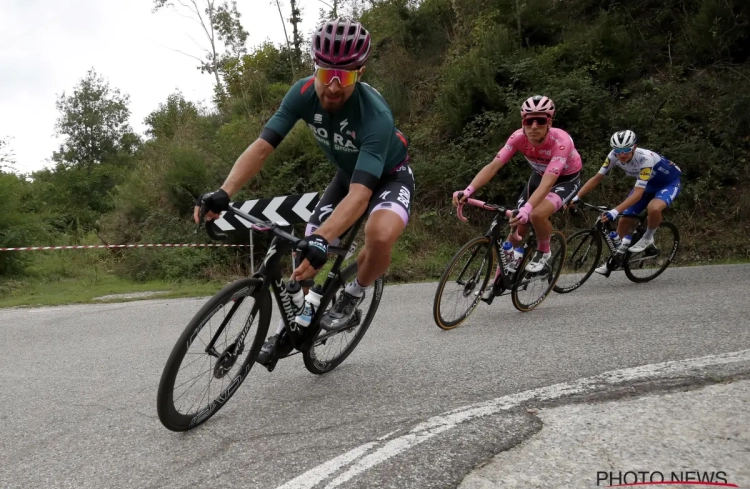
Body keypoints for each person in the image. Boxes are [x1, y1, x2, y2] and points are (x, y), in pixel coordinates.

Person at [194, 18, 414, 364]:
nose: (334, 88)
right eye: (326, 75)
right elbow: (263, 147)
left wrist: (325, 238)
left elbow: (360, 195)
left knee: (379, 234)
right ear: (315, 68)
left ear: (361, 72)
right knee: (304, 253)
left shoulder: (375, 116)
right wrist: (225, 190)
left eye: (346, 77)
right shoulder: (301, 93)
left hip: (389, 178)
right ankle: (304, 318)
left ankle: (353, 294)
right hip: (347, 176)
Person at [453, 95, 582, 298]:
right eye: (528, 121)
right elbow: (494, 166)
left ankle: (544, 250)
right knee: (516, 223)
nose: (533, 126)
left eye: (540, 120)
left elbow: (550, 181)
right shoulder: (517, 138)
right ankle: (500, 279)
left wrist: (528, 209)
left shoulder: (561, 141)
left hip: (564, 180)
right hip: (539, 176)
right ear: (522, 122)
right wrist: (468, 190)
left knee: (536, 215)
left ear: (549, 122)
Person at [569, 130, 682, 276]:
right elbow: (597, 178)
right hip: (647, 185)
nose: (621, 154)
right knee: (624, 219)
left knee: (653, 208)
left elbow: (637, 193)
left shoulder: (645, 159)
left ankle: (648, 237)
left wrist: (614, 210)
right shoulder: (613, 156)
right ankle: (614, 260)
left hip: (668, 184)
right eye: (618, 151)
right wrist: (577, 196)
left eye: (626, 150)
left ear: (634, 147)